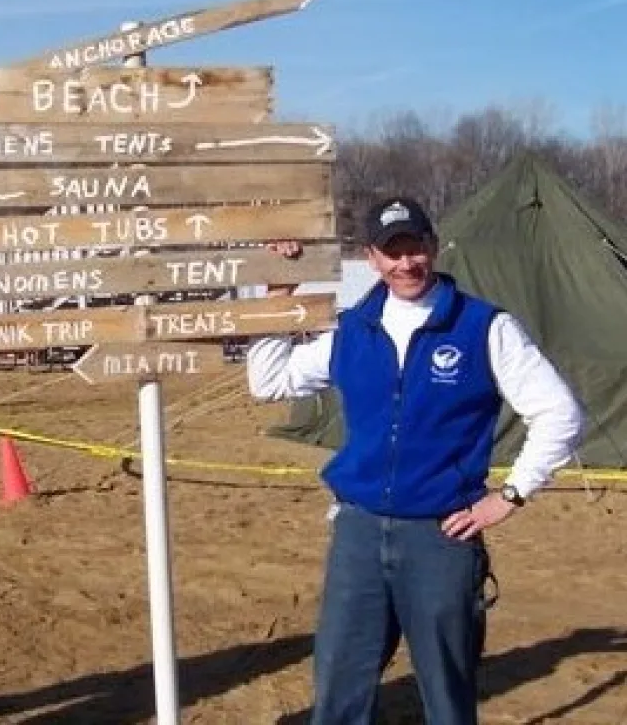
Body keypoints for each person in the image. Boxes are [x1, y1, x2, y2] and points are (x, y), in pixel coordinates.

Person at [247, 197, 583, 725]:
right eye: (392, 251)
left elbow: (560, 413)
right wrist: (276, 297)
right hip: (357, 532)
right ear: (373, 257)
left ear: (433, 245)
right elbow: (269, 381)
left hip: (441, 537)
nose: (406, 264)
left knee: (447, 697)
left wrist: (511, 495)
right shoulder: (352, 328)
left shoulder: (483, 327)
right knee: (338, 689)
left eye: (415, 248)